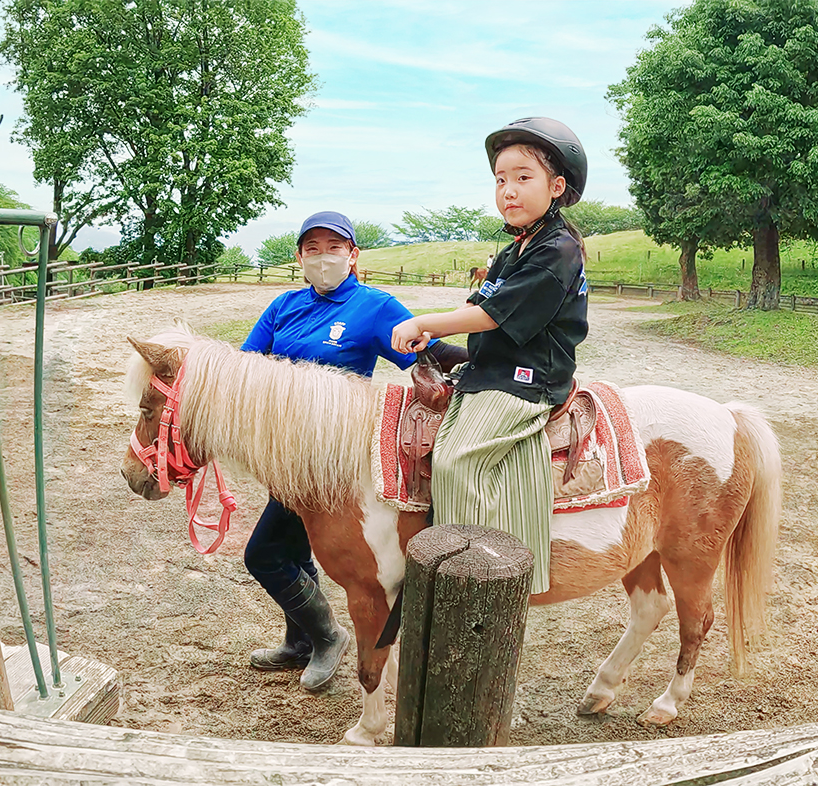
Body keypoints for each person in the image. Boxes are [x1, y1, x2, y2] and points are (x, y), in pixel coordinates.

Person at [242, 210, 466, 691]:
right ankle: (300, 640)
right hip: (285, 457)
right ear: (300, 256)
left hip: (331, 459)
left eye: (334, 247)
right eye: (313, 249)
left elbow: (425, 354)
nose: (324, 257)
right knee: (297, 550)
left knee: (263, 554)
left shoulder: (373, 306)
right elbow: (245, 369)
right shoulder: (282, 306)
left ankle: (326, 638)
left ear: (353, 255)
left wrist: (481, 356)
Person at [391, 117, 589, 594]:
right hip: (492, 370)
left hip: (526, 381)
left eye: (524, 177)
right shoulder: (510, 252)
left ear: (556, 187)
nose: (509, 190)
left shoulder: (558, 250)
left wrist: (423, 322)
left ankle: (482, 576)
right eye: (501, 180)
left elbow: (493, 317)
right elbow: (475, 307)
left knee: (456, 461)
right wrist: (442, 346)